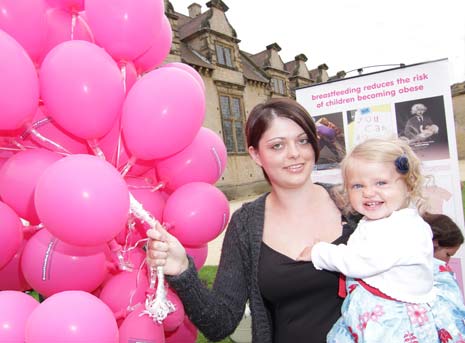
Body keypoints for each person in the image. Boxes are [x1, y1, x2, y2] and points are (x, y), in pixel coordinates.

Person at [146, 98, 361, 343]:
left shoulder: (354, 207)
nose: (294, 153)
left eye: (302, 140)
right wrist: (182, 270)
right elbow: (220, 324)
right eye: (277, 146)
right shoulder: (246, 225)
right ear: (256, 154)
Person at [310, 138, 464, 342]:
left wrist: (319, 252)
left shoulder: (402, 229)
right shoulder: (383, 220)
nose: (368, 192)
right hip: (379, 306)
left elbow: (360, 262)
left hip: (395, 323)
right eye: (357, 185)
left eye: (381, 183)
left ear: (408, 185)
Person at [422, 212, 465, 343]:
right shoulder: (440, 272)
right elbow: (452, 316)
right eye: (448, 254)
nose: (447, 262)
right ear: (434, 243)